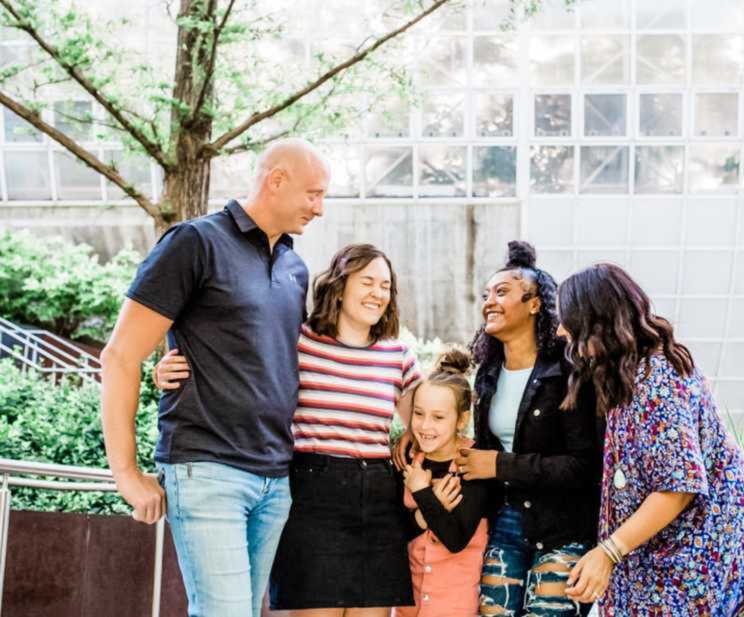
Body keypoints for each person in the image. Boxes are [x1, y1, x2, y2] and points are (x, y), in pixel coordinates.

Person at [100, 138, 329, 617]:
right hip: (206, 469)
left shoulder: (294, 267)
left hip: (273, 475)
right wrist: (126, 473)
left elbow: (258, 350)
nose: (319, 208)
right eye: (313, 194)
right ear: (277, 180)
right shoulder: (195, 242)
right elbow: (120, 355)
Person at [155, 243, 420, 617]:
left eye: (386, 286)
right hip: (312, 495)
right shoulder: (299, 341)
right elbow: (235, 366)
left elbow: (426, 422)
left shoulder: (399, 356)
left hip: (377, 499)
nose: (378, 293)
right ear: (340, 287)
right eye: (368, 282)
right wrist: (165, 370)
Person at [557, 263, 744, 615]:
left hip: (700, 559)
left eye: (569, 322)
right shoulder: (631, 374)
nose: (561, 332)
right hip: (666, 557)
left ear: (597, 322)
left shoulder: (658, 380)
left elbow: (676, 487)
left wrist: (608, 552)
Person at [394, 241, 602, 617]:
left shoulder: (570, 374)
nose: (489, 301)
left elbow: (584, 466)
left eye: (502, 292)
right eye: (487, 293)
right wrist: (415, 430)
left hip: (562, 529)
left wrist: (499, 465)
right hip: (505, 523)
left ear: (535, 303)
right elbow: (468, 450)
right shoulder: (487, 376)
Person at [396, 349, 491, 617]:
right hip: (407, 606)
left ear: (461, 419)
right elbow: (394, 532)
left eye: (438, 417)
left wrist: (422, 492)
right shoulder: (407, 460)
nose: (425, 426)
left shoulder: (473, 465)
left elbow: (455, 538)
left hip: (454, 607)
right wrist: (430, 511)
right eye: (418, 413)